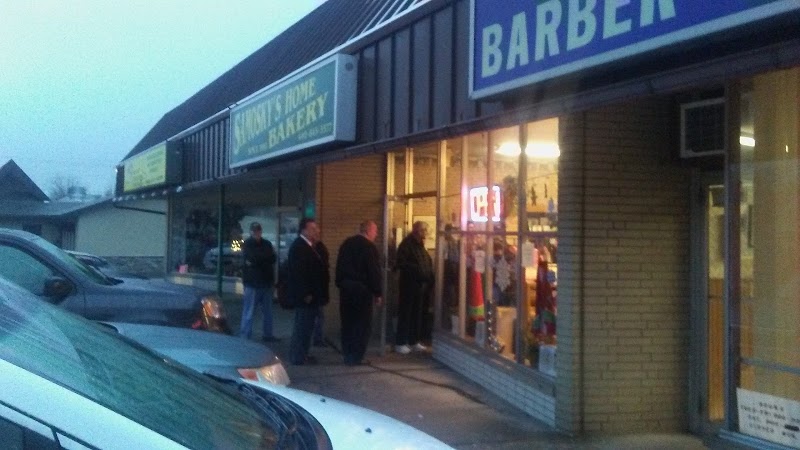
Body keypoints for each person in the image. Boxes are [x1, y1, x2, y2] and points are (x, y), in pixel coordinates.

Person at [335, 220, 382, 366]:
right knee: (362, 325)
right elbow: (373, 272)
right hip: (362, 291)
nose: (376, 234)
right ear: (368, 231)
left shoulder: (346, 244)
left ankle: (347, 354)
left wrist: (341, 283)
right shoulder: (369, 248)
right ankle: (357, 356)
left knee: (348, 323)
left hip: (346, 290)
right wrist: (377, 292)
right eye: (375, 231)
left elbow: (339, 267)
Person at [287, 218, 329, 365]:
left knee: (307, 327)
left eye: (316, 229)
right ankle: (298, 356)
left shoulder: (311, 247)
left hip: (312, 295)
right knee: (302, 327)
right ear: (303, 230)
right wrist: (305, 294)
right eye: (312, 229)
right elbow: (299, 273)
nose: (315, 231)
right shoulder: (299, 247)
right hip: (305, 297)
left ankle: (303, 354)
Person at [394, 221, 434, 354]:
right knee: (406, 313)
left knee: (417, 314)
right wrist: (417, 269)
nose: (426, 234)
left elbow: (426, 261)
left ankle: (414, 340)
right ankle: (401, 342)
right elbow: (401, 263)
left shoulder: (420, 245)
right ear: (417, 231)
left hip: (420, 285)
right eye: (424, 231)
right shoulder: (406, 245)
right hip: (409, 285)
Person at [239, 222, 279, 342]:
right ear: (251, 231)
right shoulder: (247, 244)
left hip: (265, 282)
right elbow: (256, 258)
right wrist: (264, 259)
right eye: (255, 231)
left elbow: (272, 258)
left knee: (267, 312)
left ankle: (267, 335)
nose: (257, 233)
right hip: (253, 283)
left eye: (258, 230)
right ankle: (245, 336)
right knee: (249, 311)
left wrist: (258, 261)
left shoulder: (265, 243)